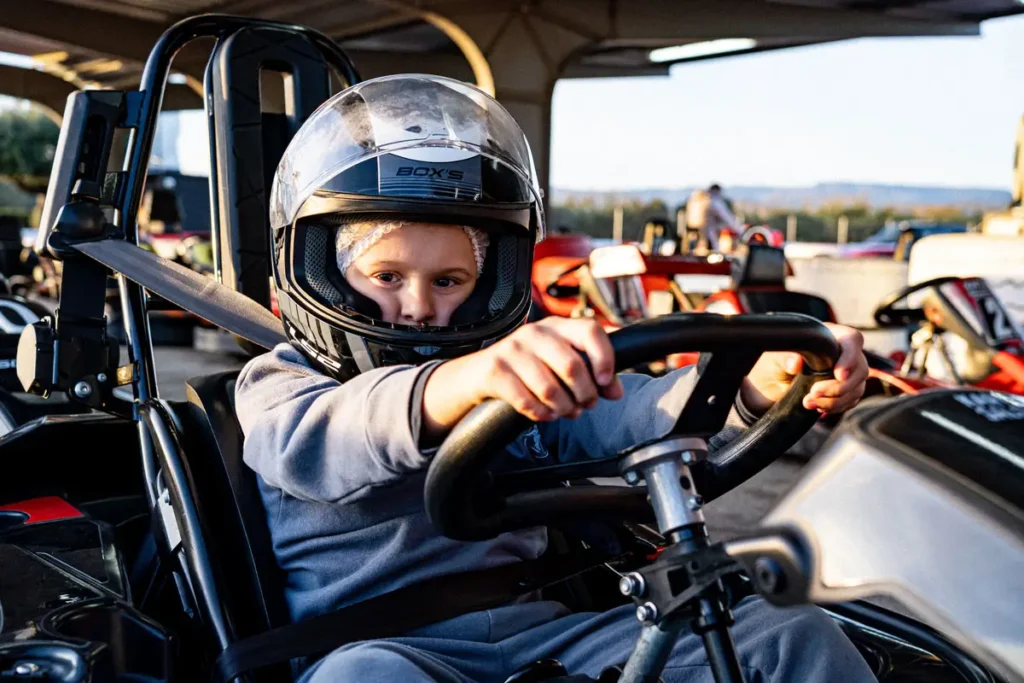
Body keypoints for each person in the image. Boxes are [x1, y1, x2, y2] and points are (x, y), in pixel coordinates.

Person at [236, 74, 875, 683]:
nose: (420, 306)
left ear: (489, 284)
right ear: (317, 270)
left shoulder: (521, 389)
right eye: (387, 276)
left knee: (787, 631)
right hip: (380, 649)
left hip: (544, 638)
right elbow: (331, 440)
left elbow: (633, 413)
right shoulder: (282, 385)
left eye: (450, 281)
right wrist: (467, 382)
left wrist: (755, 386)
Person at [686, 184, 738, 251]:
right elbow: (726, 217)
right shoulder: (713, 201)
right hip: (708, 234)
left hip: (692, 233)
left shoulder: (695, 200)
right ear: (717, 191)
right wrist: (738, 229)